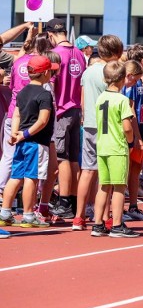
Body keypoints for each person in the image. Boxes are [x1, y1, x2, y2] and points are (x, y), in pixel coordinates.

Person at [72, 35, 124, 231]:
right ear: (116, 53)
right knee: (108, 174)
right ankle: (104, 216)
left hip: (91, 124)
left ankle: (79, 217)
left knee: (87, 170)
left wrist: (85, 118)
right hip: (109, 126)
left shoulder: (88, 71)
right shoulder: (112, 72)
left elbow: (84, 99)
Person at [0, 55, 57, 230]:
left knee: (16, 176)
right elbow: (43, 121)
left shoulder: (23, 91)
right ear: (46, 73)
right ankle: (28, 214)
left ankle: (5, 212)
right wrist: (24, 134)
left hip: (22, 141)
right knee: (31, 178)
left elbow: (16, 114)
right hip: (36, 142)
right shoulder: (45, 94)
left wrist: (15, 134)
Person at [91, 61, 138, 238]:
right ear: (122, 79)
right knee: (119, 187)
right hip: (117, 147)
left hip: (102, 146)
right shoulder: (122, 100)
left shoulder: (100, 98)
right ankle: (117, 224)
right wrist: (131, 141)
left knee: (103, 186)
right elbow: (127, 127)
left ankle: (98, 224)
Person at [47, 18, 87, 219]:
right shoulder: (80, 54)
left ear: (50, 35)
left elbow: (51, 85)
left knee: (62, 158)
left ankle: (64, 201)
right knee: (73, 158)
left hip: (62, 111)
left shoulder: (55, 55)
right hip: (76, 109)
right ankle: (71, 200)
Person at [122, 44, 143, 221]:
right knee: (125, 171)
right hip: (134, 131)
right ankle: (122, 208)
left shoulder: (140, 82)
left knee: (135, 170)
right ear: (142, 62)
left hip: (142, 126)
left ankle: (133, 206)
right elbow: (130, 108)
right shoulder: (131, 81)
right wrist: (137, 136)